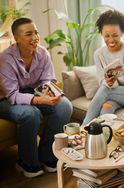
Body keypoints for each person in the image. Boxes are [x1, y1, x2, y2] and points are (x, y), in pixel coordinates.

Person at [0, 18, 73, 178]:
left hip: (32, 92)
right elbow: (12, 95)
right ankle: (26, 163)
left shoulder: (43, 53)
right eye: (28, 34)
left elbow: (48, 80)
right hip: (5, 99)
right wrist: (39, 100)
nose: (35, 37)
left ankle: (47, 157)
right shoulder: (6, 58)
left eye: (36, 32)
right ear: (16, 38)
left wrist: (48, 90)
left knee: (64, 106)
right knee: (31, 113)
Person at [82, 10, 124, 125]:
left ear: (122, 33)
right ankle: (102, 139)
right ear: (101, 34)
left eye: (115, 35)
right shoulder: (99, 54)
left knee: (106, 90)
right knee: (106, 107)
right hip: (118, 94)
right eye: (107, 36)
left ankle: (84, 127)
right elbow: (102, 82)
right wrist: (109, 82)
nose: (111, 40)